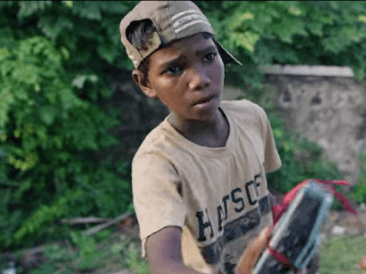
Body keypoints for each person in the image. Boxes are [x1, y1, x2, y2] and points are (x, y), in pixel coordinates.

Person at [121, 2, 283, 273]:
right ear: (145, 83)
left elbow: (263, 197)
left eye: (208, 57)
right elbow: (165, 265)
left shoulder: (252, 118)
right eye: (174, 69)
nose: (200, 80)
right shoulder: (157, 161)